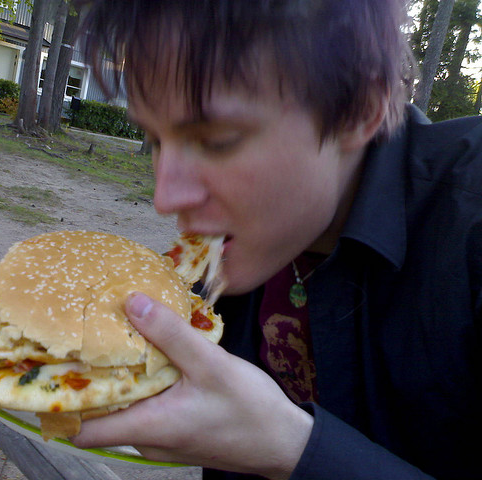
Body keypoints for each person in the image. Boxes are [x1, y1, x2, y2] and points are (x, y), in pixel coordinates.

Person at [70, 1, 482, 479]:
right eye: (157, 139)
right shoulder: (215, 266)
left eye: (217, 139)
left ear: (358, 111)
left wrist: (291, 447)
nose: (166, 197)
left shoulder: (468, 219)